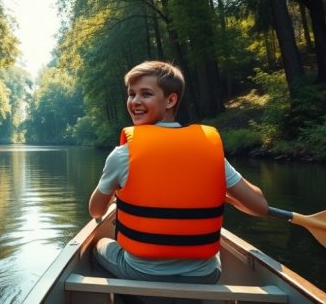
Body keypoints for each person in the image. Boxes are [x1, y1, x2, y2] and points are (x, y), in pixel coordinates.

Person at [88, 61, 269, 290]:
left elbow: (96, 211)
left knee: (98, 245)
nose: (135, 102)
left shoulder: (122, 155)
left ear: (171, 100)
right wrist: (221, 193)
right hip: (205, 275)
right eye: (131, 94)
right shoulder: (206, 149)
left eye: (146, 94)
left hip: (141, 272)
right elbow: (260, 207)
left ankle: (129, 296)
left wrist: (118, 190)